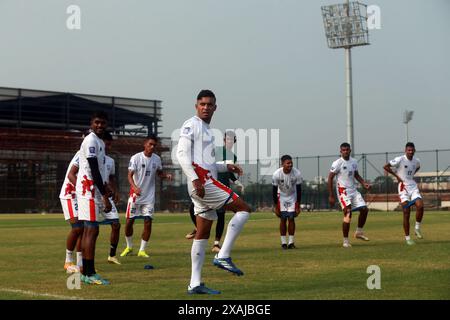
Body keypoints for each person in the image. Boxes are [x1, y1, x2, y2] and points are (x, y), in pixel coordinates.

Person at [176, 89, 252, 295]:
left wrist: (226, 167)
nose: (206, 107)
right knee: (244, 209)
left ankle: (195, 283)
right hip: (203, 183)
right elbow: (181, 154)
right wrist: (194, 179)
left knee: (202, 234)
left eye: (210, 104)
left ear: (215, 107)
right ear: (196, 106)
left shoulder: (207, 130)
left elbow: (207, 163)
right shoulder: (191, 124)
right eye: (202, 104)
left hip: (203, 180)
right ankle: (223, 255)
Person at [185, 131, 245, 255]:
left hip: (223, 186)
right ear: (224, 140)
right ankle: (198, 228)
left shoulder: (232, 156)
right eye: (227, 139)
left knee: (221, 215)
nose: (229, 141)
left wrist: (237, 182)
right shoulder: (216, 151)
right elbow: (211, 166)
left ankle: (216, 244)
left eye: (232, 140)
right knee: (193, 209)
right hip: (210, 184)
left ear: (234, 141)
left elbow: (229, 172)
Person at [120, 135, 172, 259]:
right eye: (150, 144)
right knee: (129, 222)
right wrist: (134, 187)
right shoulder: (136, 158)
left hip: (149, 197)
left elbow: (159, 173)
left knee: (148, 222)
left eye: (154, 145)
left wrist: (166, 176)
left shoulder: (157, 159)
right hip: (135, 196)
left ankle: (142, 250)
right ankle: (129, 246)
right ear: (145, 144)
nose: (152, 147)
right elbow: (129, 175)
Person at [76, 111, 112, 285]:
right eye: (97, 122)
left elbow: (100, 170)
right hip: (88, 190)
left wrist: (106, 188)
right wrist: (104, 196)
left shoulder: (99, 142)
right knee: (91, 230)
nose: (99, 125)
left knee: (92, 230)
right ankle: (89, 273)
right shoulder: (91, 140)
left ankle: (85, 271)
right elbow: (93, 169)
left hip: (92, 190)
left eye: (103, 123)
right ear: (91, 122)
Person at [327, 143, 371, 248]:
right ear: (340, 151)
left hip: (353, 190)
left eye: (347, 150)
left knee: (364, 209)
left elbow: (356, 174)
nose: (345, 151)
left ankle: (359, 232)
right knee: (348, 213)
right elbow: (330, 178)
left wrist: (363, 182)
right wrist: (331, 195)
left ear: (350, 150)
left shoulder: (354, 161)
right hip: (343, 191)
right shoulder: (337, 163)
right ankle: (345, 241)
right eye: (343, 150)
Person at [383, 142, 424, 245]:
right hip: (403, 187)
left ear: (414, 150)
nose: (410, 152)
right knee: (406, 212)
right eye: (408, 150)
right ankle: (407, 238)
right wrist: (396, 176)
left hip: (413, 186)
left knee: (420, 205)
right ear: (405, 151)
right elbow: (386, 166)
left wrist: (411, 175)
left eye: (412, 150)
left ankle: (417, 228)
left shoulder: (416, 161)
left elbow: (417, 167)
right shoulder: (400, 159)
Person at [59, 150, 83, 273]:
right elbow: (70, 174)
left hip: (81, 196)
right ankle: (68, 261)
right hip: (70, 194)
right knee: (77, 228)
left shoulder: (100, 157)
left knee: (83, 229)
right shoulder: (83, 153)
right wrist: (81, 189)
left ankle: (80, 264)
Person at [272, 155, 302, 249]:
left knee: (291, 218)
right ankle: (284, 243)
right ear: (282, 164)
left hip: (293, 196)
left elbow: (299, 189)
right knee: (283, 219)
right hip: (281, 196)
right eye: (288, 163)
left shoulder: (297, 173)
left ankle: (291, 243)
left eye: (291, 163)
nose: (290, 165)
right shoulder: (277, 174)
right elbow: (273, 190)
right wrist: (276, 205)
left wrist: (298, 204)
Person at [101, 131, 121, 264]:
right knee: (89, 228)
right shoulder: (91, 157)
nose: (107, 147)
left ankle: (112, 255)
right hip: (93, 196)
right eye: (105, 144)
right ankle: (82, 260)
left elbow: (111, 178)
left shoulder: (110, 161)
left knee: (116, 224)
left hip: (106, 196)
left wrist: (115, 191)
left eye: (109, 144)